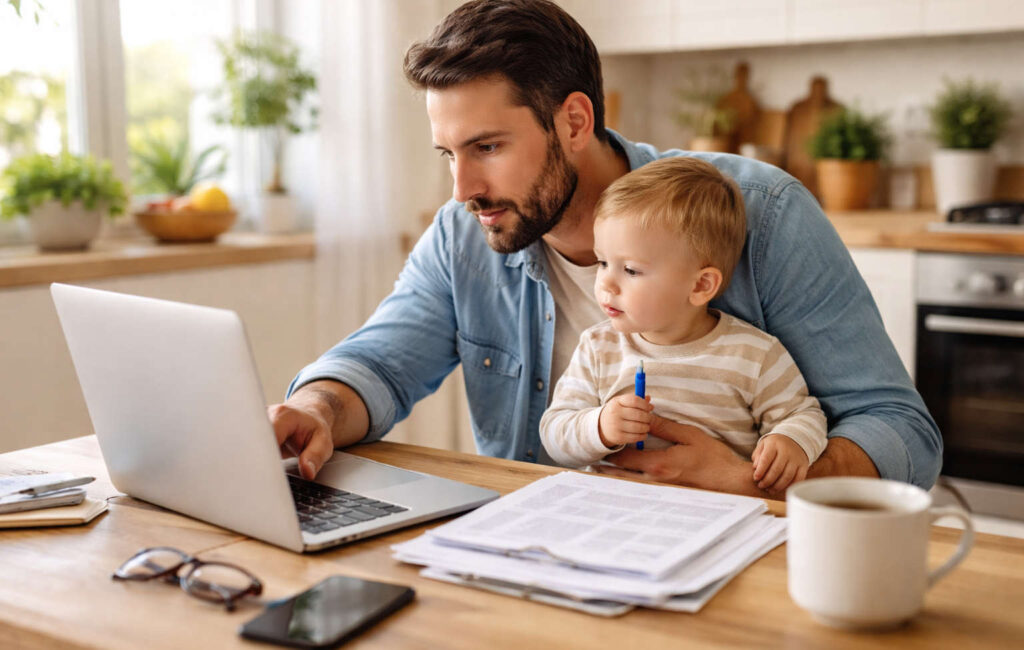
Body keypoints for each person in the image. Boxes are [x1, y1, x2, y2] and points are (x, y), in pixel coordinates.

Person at [269, 0, 941, 497]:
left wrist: (754, 482)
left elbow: (900, 431)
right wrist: (316, 410)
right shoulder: (464, 232)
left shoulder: (760, 212)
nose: (462, 189)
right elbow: (379, 365)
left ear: (575, 121)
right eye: (448, 153)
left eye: (488, 147)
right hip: (549, 544)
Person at [540, 157, 828, 493]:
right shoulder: (597, 347)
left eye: (630, 270)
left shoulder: (755, 355)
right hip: (612, 512)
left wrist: (789, 439)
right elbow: (554, 430)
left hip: (715, 517)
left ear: (701, 286)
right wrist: (599, 426)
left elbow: (804, 414)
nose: (606, 284)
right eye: (603, 262)